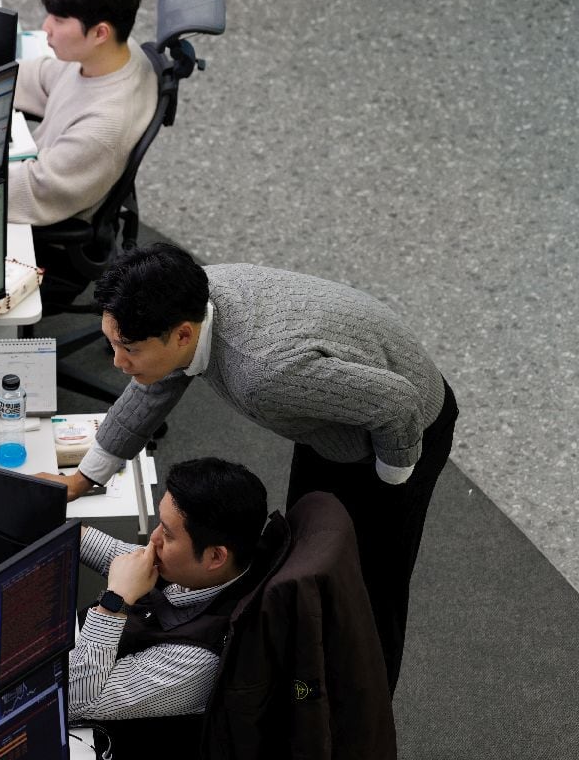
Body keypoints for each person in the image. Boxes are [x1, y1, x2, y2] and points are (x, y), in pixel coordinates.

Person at [42, 242, 459, 696]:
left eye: (129, 350)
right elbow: (152, 385)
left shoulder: (265, 376)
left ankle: (364, 706)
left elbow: (399, 405)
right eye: (113, 344)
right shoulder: (187, 300)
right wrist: (81, 480)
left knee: (374, 583)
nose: (119, 363)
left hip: (403, 427)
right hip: (330, 411)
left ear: (182, 335)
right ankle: (305, 667)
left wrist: (389, 487)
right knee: (303, 550)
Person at [69, 457, 269, 724]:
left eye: (168, 534)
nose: (153, 539)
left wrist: (114, 601)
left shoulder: (196, 659)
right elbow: (116, 556)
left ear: (215, 557)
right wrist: (46, 514)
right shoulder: (202, 569)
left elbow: (73, 700)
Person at [8, 0, 158, 228]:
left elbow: (32, 187)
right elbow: (45, 77)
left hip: (43, 207)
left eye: (59, 20)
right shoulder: (116, 52)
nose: (46, 27)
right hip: (38, 169)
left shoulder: (102, 128)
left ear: (100, 32)